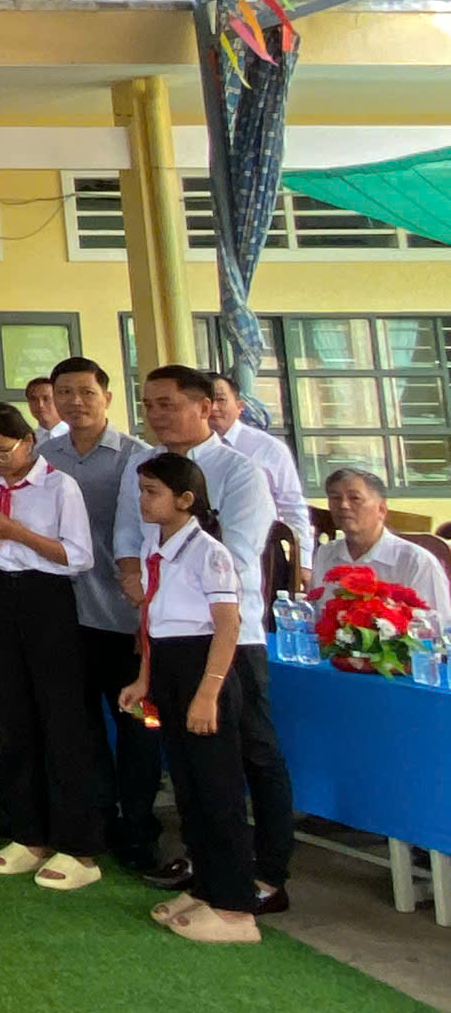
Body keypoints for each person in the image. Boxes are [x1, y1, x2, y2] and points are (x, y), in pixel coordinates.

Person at [118, 365, 290, 912]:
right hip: (166, 634)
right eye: (148, 404)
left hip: (227, 636)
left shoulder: (240, 471)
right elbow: (129, 539)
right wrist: (139, 584)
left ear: (205, 408)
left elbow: (234, 559)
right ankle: (205, 863)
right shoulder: (146, 468)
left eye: (167, 404)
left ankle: (267, 872)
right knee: (190, 761)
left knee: (251, 753)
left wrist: (168, 580)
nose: (155, 415)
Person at [0, 400, 103, 892]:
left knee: (60, 720)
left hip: (46, 598)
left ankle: (78, 844)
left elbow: (78, 557)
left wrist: (19, 532)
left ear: (28, 442)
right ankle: (27, 833)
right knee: (11, 716)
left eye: (3, 451)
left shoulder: (60, 486)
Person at [122, 454, 262, 944]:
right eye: (141, 490)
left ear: (185, 499)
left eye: (153, 492)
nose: (143, 500)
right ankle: (205, 888)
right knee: (188, 787)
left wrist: (208, 694)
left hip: (204, 670)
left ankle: (235, 908)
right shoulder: (152, 545)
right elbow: (152, 621)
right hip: (167, 667)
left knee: (218, 791)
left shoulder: (209, 553)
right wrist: (144, 679)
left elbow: (227, 626)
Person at [34, 356, 155, 872]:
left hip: (125, 619)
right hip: (64, 618)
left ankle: (139, 829)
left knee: (138, 730)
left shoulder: (137, 458)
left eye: (86, 392)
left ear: (107, 397)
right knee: (76, 730)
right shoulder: (43, 456)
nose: (75, 402)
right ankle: (92, 822)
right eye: (65, 392)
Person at [312, 466, 451, 614]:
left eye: (355, 498)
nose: (343, 505)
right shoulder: (326, 553)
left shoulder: (416, 561)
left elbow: (439, 624)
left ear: (381, 509)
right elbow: (317, 613)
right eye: (335, 498)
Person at [208, 373, 315, 550]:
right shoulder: (186, 449)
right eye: (206, 401)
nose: (213, 408)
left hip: (262, 551)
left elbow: (292, 506)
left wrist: (301, 559)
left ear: (239, 406)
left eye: (220, 400)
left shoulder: (269, 448)